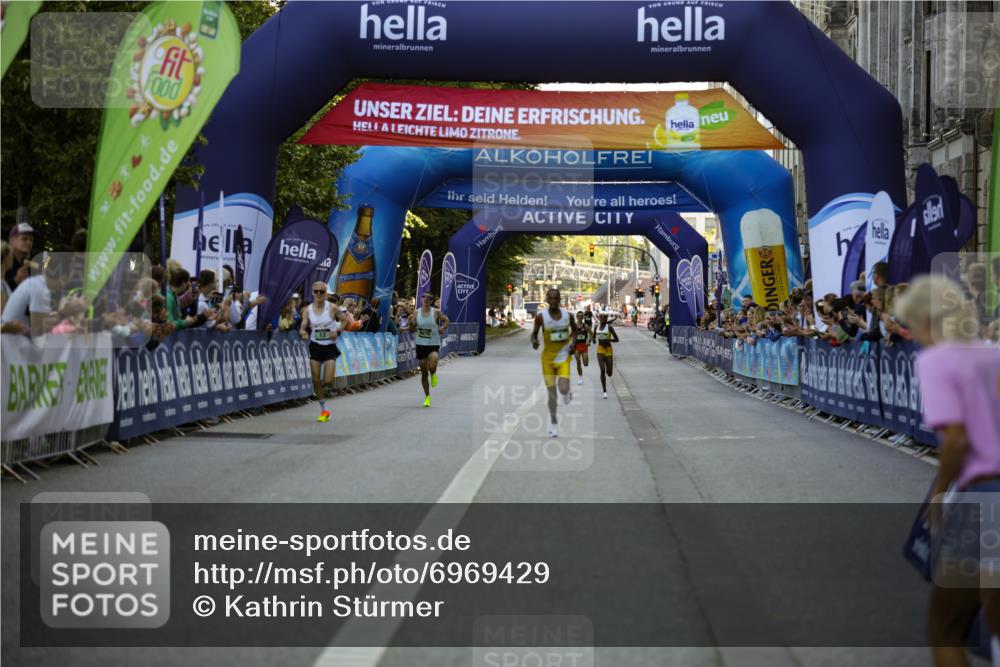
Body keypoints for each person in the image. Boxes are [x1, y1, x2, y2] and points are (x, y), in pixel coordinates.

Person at [893, 275, 1000, 667]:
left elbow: (955, 438)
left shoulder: (936, 361)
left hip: (985, 494)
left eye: (911, 327)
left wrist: (940, 492)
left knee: (945, 627)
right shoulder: (992, 353)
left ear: (926, 321)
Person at [300, 282, 351, 422]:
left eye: (321, 292)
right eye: (316, 291)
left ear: (325, 294)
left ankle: (319, 390)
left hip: (329, 348)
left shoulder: (333, 308)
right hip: (315, 346)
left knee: (328, 380)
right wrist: (303, 331)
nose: (319, 294)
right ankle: (324, 410)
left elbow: (346, 320)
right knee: (315, 379)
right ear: (312, 293)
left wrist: (337, 331)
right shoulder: (308, 310)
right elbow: (303, 325)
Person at [531, 288, 576, 437]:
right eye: (550, 298)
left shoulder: (568, 316)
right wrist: (534, 341)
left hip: (563, 358)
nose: (553, 301)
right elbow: (534, 334)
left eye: (555, 298)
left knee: (562, 389)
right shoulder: (541, 317)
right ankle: (553, 422)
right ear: (546, 300)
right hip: (547, 360)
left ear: (559, 299)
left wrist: (573, 344)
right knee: (552, 394)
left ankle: (567, 391)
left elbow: (575, 330)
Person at [409, 291, 449, 407]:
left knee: (433, 360)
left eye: (428, 298)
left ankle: (434, 374)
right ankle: (427, 397)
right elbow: (412, 330)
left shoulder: (435, 312)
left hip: (433, 343)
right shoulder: (416, 313)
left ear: (431, 301)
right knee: (423, 372)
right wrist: (411, 324)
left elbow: (446, 319)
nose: (426, 299)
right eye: (424, 297)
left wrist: (443, 328)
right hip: (421, 344)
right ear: (421, 300)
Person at [592, 309, 620, 399]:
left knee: (609, 373)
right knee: (602, 370)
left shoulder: (609, 327)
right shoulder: (596, 327)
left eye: (604, 317)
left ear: (606, 318)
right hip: (600, 350)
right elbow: (593, 337)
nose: (602, 319)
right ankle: (604, 391)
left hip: (608, 350)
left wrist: (609, 340)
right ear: (599, 318)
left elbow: (617, 339)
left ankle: (609, 372)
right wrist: (593, 339)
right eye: (601, 317)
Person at [5, 222, 34, 292]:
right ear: (12, 241)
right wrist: (16, 280)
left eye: (31, 239)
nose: (29, 242)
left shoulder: (27, 264)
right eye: (24, 239)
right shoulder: (3, 261)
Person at [572, 310, 590, 385]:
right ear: (576, 317)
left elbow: (590, 335)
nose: (580, 317)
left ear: (583, 317)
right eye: (578, 316)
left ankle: (581, 376)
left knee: (585, 364)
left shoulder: (585, 326)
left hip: (583, 345)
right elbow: (570, 335)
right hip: (576, 346)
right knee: (578, 362)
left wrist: (588, 341)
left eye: (581, 316)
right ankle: (580, 378)